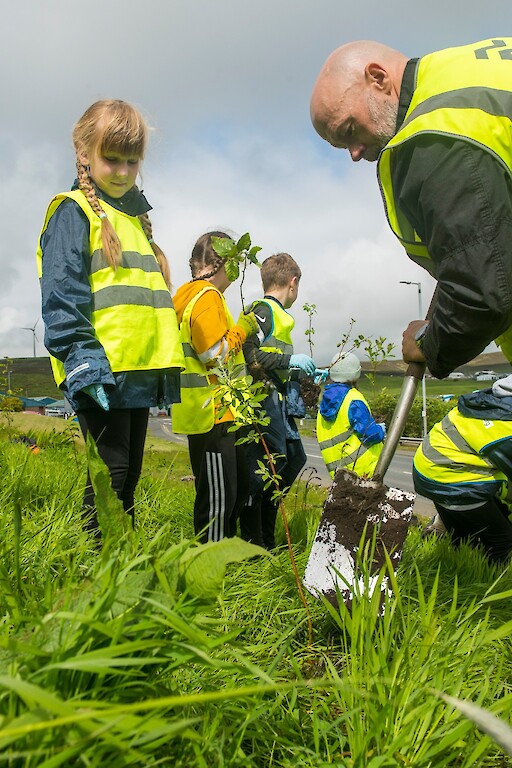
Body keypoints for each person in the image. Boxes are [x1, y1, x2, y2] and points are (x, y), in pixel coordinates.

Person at [310, 38, 512, 559]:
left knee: (446, 461)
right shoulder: (473, 68)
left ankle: (491, 586)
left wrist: (431, 342)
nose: (355, 153)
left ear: (377, 78)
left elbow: (478, 290)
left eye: (349, 131)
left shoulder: (433, 135)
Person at [36, 99, 185, 540]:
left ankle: (120, 565)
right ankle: (94, 572)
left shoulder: (131, 218)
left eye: (131, 161)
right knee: (111, 474)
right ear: (84, 153)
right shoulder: (71, 211)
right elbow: (62, 295)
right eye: (111, 159)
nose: (122, 172)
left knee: (129, 475)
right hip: (102, 370)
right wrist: (83, 361)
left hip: (137, 372)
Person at [171, 230, 260, 543]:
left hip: (208, 413)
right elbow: (214, 354)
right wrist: (242, 330)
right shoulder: (207, 297)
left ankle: (221, 561)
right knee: (220, 499)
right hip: (214, 415)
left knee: (224, 491)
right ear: (226, 263)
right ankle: (212, 564)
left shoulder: (188, 296)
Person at [240, 252, 318, 550]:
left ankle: (267, 539)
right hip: (261, 401)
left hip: (278, 401)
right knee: (264, 472)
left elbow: (275, 360)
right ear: (293, 283)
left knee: (293, 460)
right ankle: (254, 545)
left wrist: (298, 371)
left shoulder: (279, 315)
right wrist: (290, 358)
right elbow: (249, 354)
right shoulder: (262, 310)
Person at [317, 352, 385, 478]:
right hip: (361, 470)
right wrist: (380, 430)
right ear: (356, 374)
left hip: (338, 474)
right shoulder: (353, 400)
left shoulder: (325, 402)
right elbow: (370, 434)